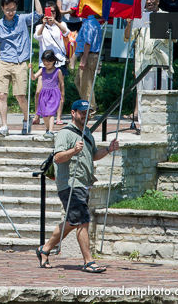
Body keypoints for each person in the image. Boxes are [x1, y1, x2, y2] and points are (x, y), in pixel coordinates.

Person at [36, 99, 119, 273]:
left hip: (83, 183)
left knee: (73, 221)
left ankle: (44, 249)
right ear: (73, 113)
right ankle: (88, 262)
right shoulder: (65, 133)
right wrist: (73, 150)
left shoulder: (87, 132)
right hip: (69, 183)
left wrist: (109, 149)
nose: (85, 116)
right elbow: (58, 157)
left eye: (88, 112)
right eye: (82, 112)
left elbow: (93, 154)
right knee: (82, 220)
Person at [0, 0, 43, 137]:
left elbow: (39, 14)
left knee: (20, 96)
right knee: (2, 94)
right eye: (7, 9)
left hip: (20, 63)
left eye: (13, 9)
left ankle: (27, 119)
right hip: (4, 62)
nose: (10, 12)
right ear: (2, 8)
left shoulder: (23, 20)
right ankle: (4, 125)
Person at [123, 0, 173, 124]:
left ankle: (163, 123)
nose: (149, 1)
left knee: (163, 96)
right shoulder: (139, 17)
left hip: (162, 62)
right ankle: (143, 124)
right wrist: (129, 24)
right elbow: (127, 38)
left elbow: (174, 38)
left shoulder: (166, 16)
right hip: (143, 63)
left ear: (157, 1)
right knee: (143, 96)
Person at [32, 1, 68, 126]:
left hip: (58, 62)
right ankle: (37, 114)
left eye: (53, 11)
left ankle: (58, 116)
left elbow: (66, 33)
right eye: (48, 11)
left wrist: (56, 22)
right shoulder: (40, 26)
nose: (51, 14)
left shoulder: (61, 24)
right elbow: (36, 36)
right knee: (38, 91)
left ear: (56, 12)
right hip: (45, 63)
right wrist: (43, 24)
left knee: (58, 90)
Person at [31, 50, 64, 139]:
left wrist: (62, 95)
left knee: (51, 113)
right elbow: (33, 77)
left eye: (48, 63)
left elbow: (61, 83)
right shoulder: (42, 70)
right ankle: (47, 128)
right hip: (44, 94)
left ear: (53, 61)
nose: (46, 65)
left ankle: (51, 131)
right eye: (44, 63)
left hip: (54, 93)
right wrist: (30, 70)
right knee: (44, 114)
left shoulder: (58, 71)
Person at [74, 15, 102, 114]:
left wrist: (83, 60)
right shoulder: (91, 22)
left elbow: (88, 43)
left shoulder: (89, 23)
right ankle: (88, 104)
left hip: (89, 56)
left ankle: (91, 109)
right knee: (78, 81)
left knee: (87, 84)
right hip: (89, 56)